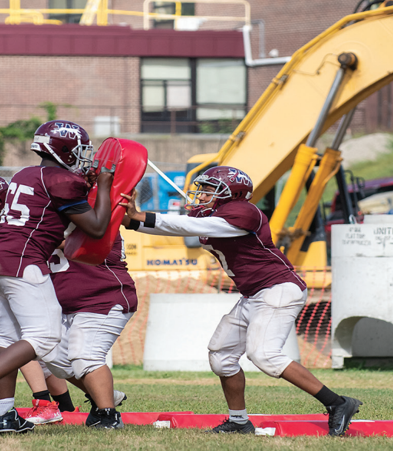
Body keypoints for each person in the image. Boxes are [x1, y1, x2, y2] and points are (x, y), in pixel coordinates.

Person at [119, 166, 362, 436]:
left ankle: (338, 403)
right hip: (254, 294)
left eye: (209, 189)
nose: (202, 194)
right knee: (221, 356)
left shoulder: (245, 212)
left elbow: (191, 225)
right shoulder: (209, 213)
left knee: (265, 355)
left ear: (231, 193)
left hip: (278, 288)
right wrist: (129, 217)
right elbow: (175, 228)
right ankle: (238, 421)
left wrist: (142, 216)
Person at [0, 121, 116, 435]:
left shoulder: (25, 174)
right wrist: (104, 184)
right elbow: (95, 227)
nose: (83, 157)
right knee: (44, 337)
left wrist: (86, 183)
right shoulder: (64, 180)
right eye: (78, 151)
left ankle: (5, 416)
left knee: (8, 338)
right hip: (21, 260)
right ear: (63, 150)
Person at [39, 229, 137, 430]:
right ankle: (101, 395)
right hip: (66, 306)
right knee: (51, 354)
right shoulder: (47, 217)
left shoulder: (96, 219)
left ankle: (108, 415)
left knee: (85, 356)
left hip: (102, 297)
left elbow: (86, 246)